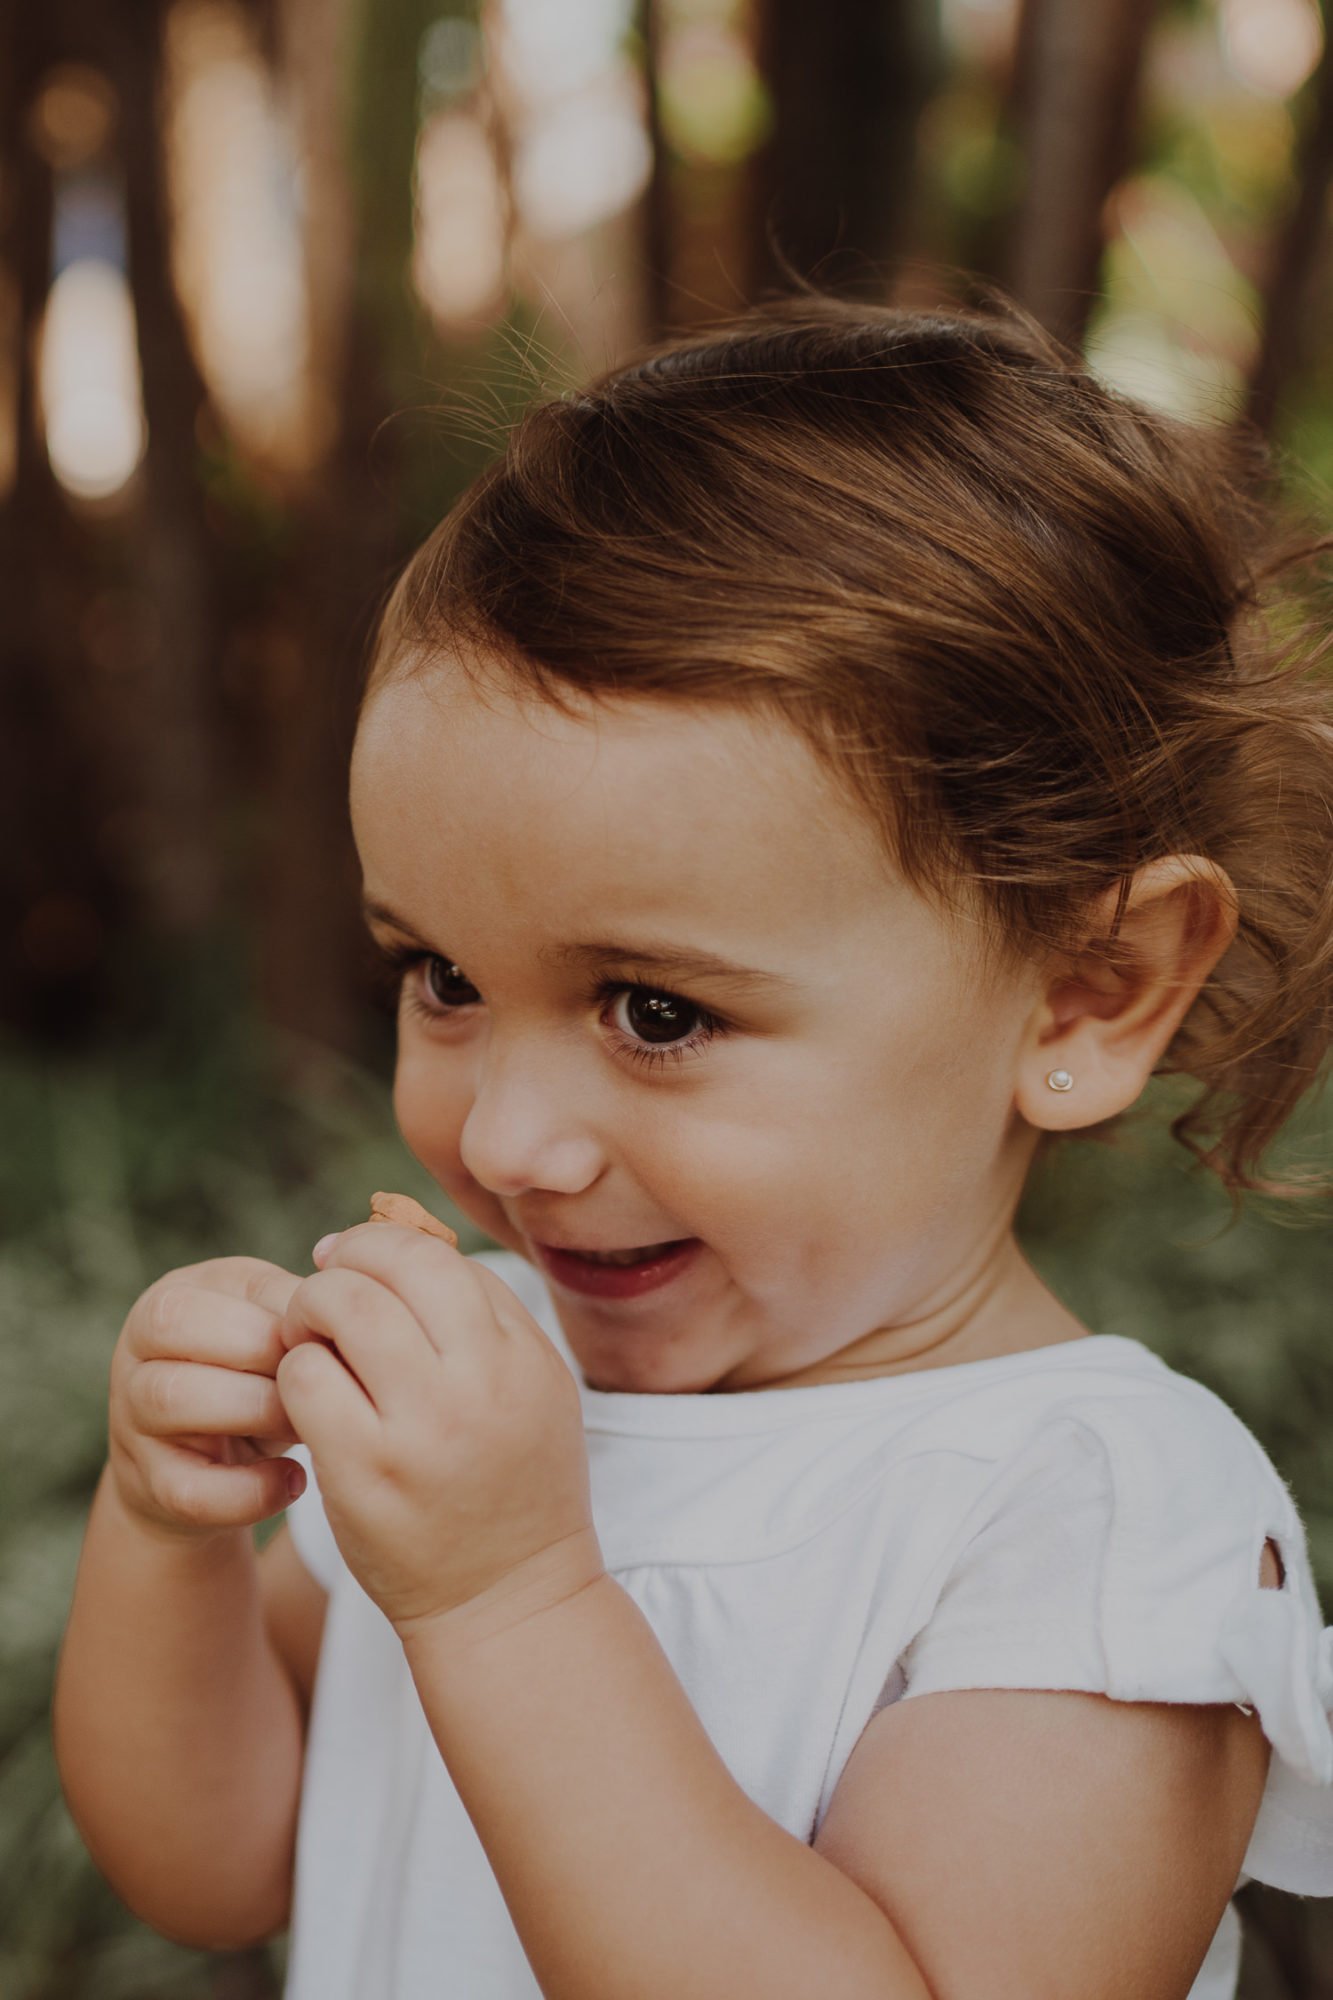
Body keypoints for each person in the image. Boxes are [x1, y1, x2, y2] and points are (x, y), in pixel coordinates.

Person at [53, 289, 1333, 2000]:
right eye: (439, 978)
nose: (505, 1137)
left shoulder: (1089, 1526)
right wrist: (168, 1539)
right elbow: (218, 1861)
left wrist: (509, 1600)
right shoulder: (491, 1382)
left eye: (655, 1011)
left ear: (1084, 996)